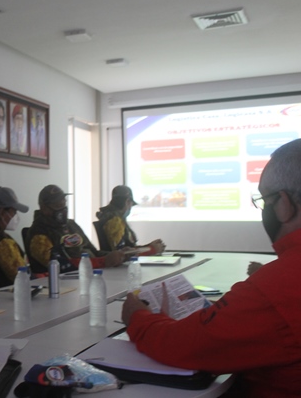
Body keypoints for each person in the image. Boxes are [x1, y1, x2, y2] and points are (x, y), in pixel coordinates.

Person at [121, 138, 301, 397]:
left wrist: (138, 318)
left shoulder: (277, 286)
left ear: (284, 204)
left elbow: (184, 346)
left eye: (264, 201)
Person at [25, 184, 127, 275]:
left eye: (64, 204)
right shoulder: (38, 235)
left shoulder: (71, 225)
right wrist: (103, 261)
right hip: (64, 283)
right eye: (58, 205)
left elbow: (94, 252)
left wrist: (120, 255)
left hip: (90, 273)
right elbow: (61, 266)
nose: (63, 209)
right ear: (44, 208)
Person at [95, 185, 166, 255]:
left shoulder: (111, 218)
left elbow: (128, 249)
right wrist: (151, 249)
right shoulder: (115, 222)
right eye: (131, 205)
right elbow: (122, 254)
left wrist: (149, 246)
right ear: (128, 202)